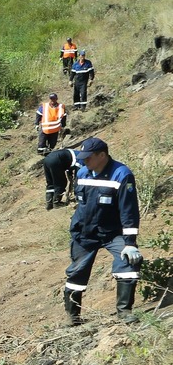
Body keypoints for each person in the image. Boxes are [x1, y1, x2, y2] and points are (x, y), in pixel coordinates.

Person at [63, 137, 142, 325]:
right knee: (76, 274)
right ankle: (72, 317)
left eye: (88, 157)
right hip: (85, 233)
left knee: (129, 263)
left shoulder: (121, 175)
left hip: (113, 232)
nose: (84, 161)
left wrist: (130, 243)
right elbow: (81, 203)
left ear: (102, 155)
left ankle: (124, 312)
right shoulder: (82, 173)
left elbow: (129, 210)